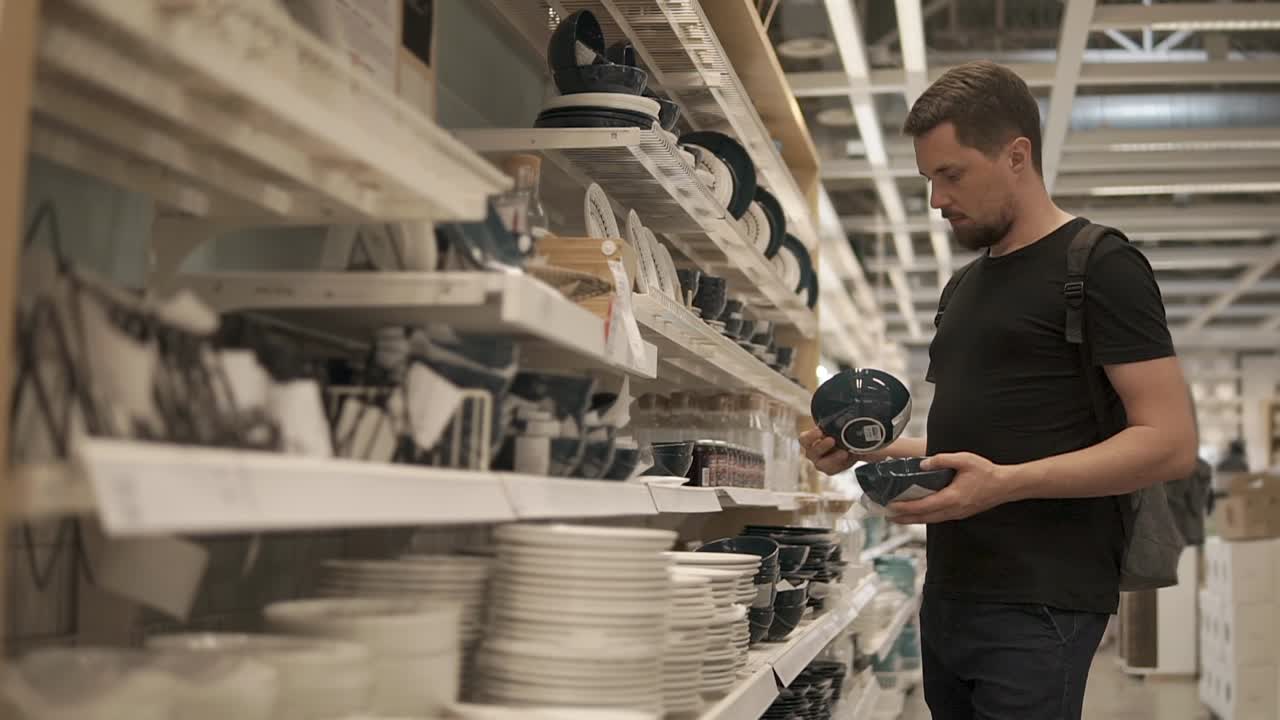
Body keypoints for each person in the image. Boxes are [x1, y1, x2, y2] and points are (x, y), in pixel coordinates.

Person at [800, 61, 1197, 720]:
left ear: (1017, 156)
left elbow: (1170, 442)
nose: (936, 200)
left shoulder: (1100, 265)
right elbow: (975, 448)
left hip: (1042, 601)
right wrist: (873, 448)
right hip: (952, 591)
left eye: (951, 175)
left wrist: (1006, 484)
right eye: (928, 179)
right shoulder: (962, 289)